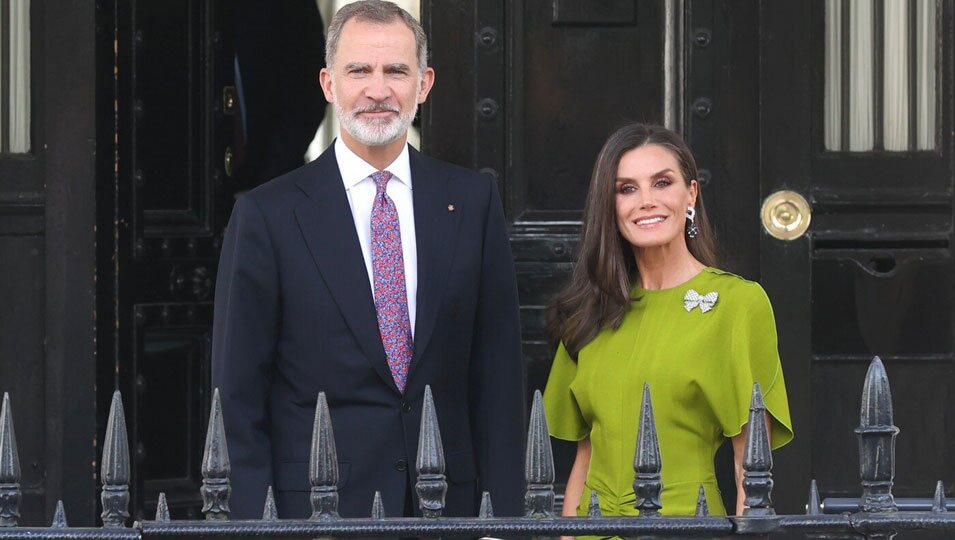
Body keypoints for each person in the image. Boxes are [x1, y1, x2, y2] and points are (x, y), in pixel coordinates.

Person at [212, 0, 525, 521]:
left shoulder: (472, 202)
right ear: (328, 84)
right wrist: (255, 528)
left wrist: (502, 524)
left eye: (396, 71)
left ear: (424, 83)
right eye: (359, 70)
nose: (378, 90)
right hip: (315, 512)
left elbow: (496, 379)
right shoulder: (266, 216)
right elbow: (237, 400)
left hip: (450, 511)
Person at [543, 123, 793, 525]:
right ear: (610, 205)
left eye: (662, 182)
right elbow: (585, 458)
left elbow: (751, 464)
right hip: (594, 528)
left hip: (685, 525)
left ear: (691, 193)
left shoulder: (737, 304)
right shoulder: (589, 310)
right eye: (626, 189)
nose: (646, 201)